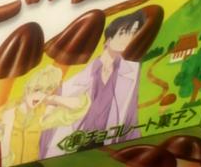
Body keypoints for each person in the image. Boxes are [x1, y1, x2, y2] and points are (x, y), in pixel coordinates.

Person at [43, 10, 146, 157]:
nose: (127, 38)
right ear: (109, 37)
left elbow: (131, 116)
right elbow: (51, 115)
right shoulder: (79, 75)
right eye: (124, 32)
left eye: (132, 33)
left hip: (107, 144)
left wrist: (136, 150)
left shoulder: (132, 72)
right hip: (75, 144)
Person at [0, 65, 88, 166]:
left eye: (46, 91)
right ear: (27, 88)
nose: (39, 96)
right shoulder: (5, 113)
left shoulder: (43, 113)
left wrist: (52, 99)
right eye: (37, 90)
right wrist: (8, 127)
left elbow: (80, 107)